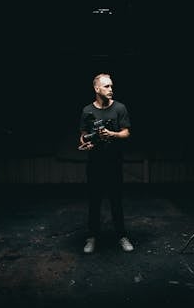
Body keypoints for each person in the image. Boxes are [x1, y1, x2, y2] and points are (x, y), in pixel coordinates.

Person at [78, 73, 134, 254]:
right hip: (94, 164)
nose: (111, 89)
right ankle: (92, 237)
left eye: (111, 86)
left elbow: (126, 133)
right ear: (97, 89)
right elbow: (83, 133)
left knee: (116, 201)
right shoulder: (87, 110)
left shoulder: (120, 108)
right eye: (107, 86)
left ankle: (122, 236)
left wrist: (112, 134)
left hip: (114, 163)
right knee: (94, 202)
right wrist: (85, 142)